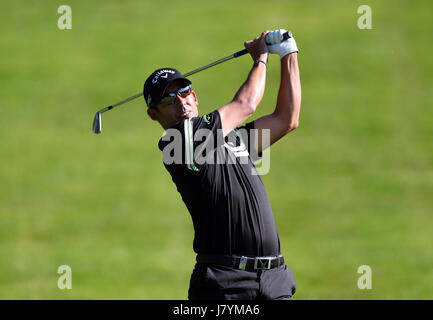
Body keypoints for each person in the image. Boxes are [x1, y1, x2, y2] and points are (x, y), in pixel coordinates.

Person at [143, 29, 301, 300]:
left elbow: (286, 119)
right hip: (226, 284)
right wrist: (261, 57)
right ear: (153, 114)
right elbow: (246, 104)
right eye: (169, 100)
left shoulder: (232, 138)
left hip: (274, 280)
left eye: (184, 91)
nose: (181, 102)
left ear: (194, 96)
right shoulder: (179, 142)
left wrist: (288, 54)